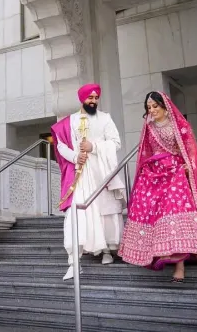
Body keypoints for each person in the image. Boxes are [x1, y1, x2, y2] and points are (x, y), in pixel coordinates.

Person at [119, 91, 197, 282]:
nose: (152, 110)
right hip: (154, 175)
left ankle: (179, 265)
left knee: (174, 212)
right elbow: (147, 151)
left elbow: (190, 149)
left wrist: (187, 167)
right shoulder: (149, 126)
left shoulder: (179, 125)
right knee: (155, 214)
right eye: (149, 108)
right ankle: (159, 251)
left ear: (165, 107)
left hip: (176, 174)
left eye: (155, 107)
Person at [51, 83, 126, 281]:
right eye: (89, 98)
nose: (93, 101)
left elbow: (116, 143)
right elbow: (60, 146)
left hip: (102, 172)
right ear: (81, 98)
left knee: (106, 211)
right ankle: (74, 262)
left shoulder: (105, 118)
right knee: (77, 213)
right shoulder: (70, 121)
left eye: (96, 98)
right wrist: (76, 157)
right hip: (80, 175)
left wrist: (93, 146)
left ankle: (108, 250)